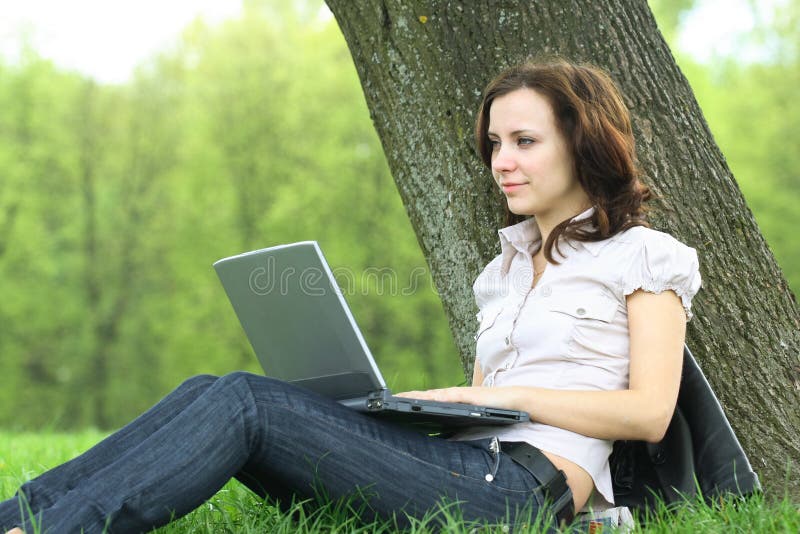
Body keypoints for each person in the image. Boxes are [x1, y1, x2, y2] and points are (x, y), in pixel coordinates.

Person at [0, 58, 701, 533]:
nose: (502, 162)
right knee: (206, 388)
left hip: (516, 494)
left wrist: (495, 400)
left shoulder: (645, 257)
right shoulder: (505, 270)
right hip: (461, 465)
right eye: (494, 143)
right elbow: (484, 409)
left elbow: (647, 413)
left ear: (583, 143)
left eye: (524, 140)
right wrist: (413, 410)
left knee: (247, 399)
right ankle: (17, 517)